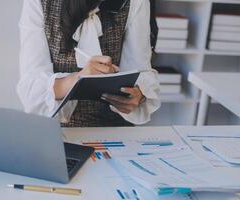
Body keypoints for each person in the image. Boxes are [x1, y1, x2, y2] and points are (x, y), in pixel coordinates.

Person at [17, 0, 161, 127]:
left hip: (115, 131)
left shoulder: (135, 2)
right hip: (55, 132)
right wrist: (78, 79)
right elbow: (31, 90)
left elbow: (139, 72)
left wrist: (137, 96)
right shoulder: (38, 2)